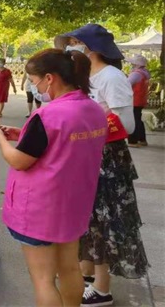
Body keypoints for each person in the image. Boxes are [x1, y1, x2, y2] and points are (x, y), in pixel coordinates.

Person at [0, 48, 108, 307]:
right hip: (74, 205)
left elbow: (19, 160)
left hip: (40, 208)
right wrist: (23, 133)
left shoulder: (48, 114)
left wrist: (0, 139)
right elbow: (63, 142)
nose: (36, 87)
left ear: (50, 78)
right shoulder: (94, 110)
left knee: (43, 279)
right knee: (70, 268)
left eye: (34, 81)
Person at [55, 24, 149, 307]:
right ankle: (86, 272)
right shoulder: (84, 76)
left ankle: (101, 288)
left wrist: (88, 126)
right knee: (88, 218)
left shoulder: (111, 76)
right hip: (86, 155)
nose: (71, 46)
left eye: (75, 42)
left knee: (105, 221)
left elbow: (126, 125)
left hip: (107, 158)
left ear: (91, 47)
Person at [126, 54, 151, 147]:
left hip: (134, 100)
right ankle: (142, 139)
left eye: (133, 63)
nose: (131, 64)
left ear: (137, 64)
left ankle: (133, 141)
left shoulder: (136, 74)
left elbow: (126, 84)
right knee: (138, 119)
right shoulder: (145, 73)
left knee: (133, 120)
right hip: (140, 99)